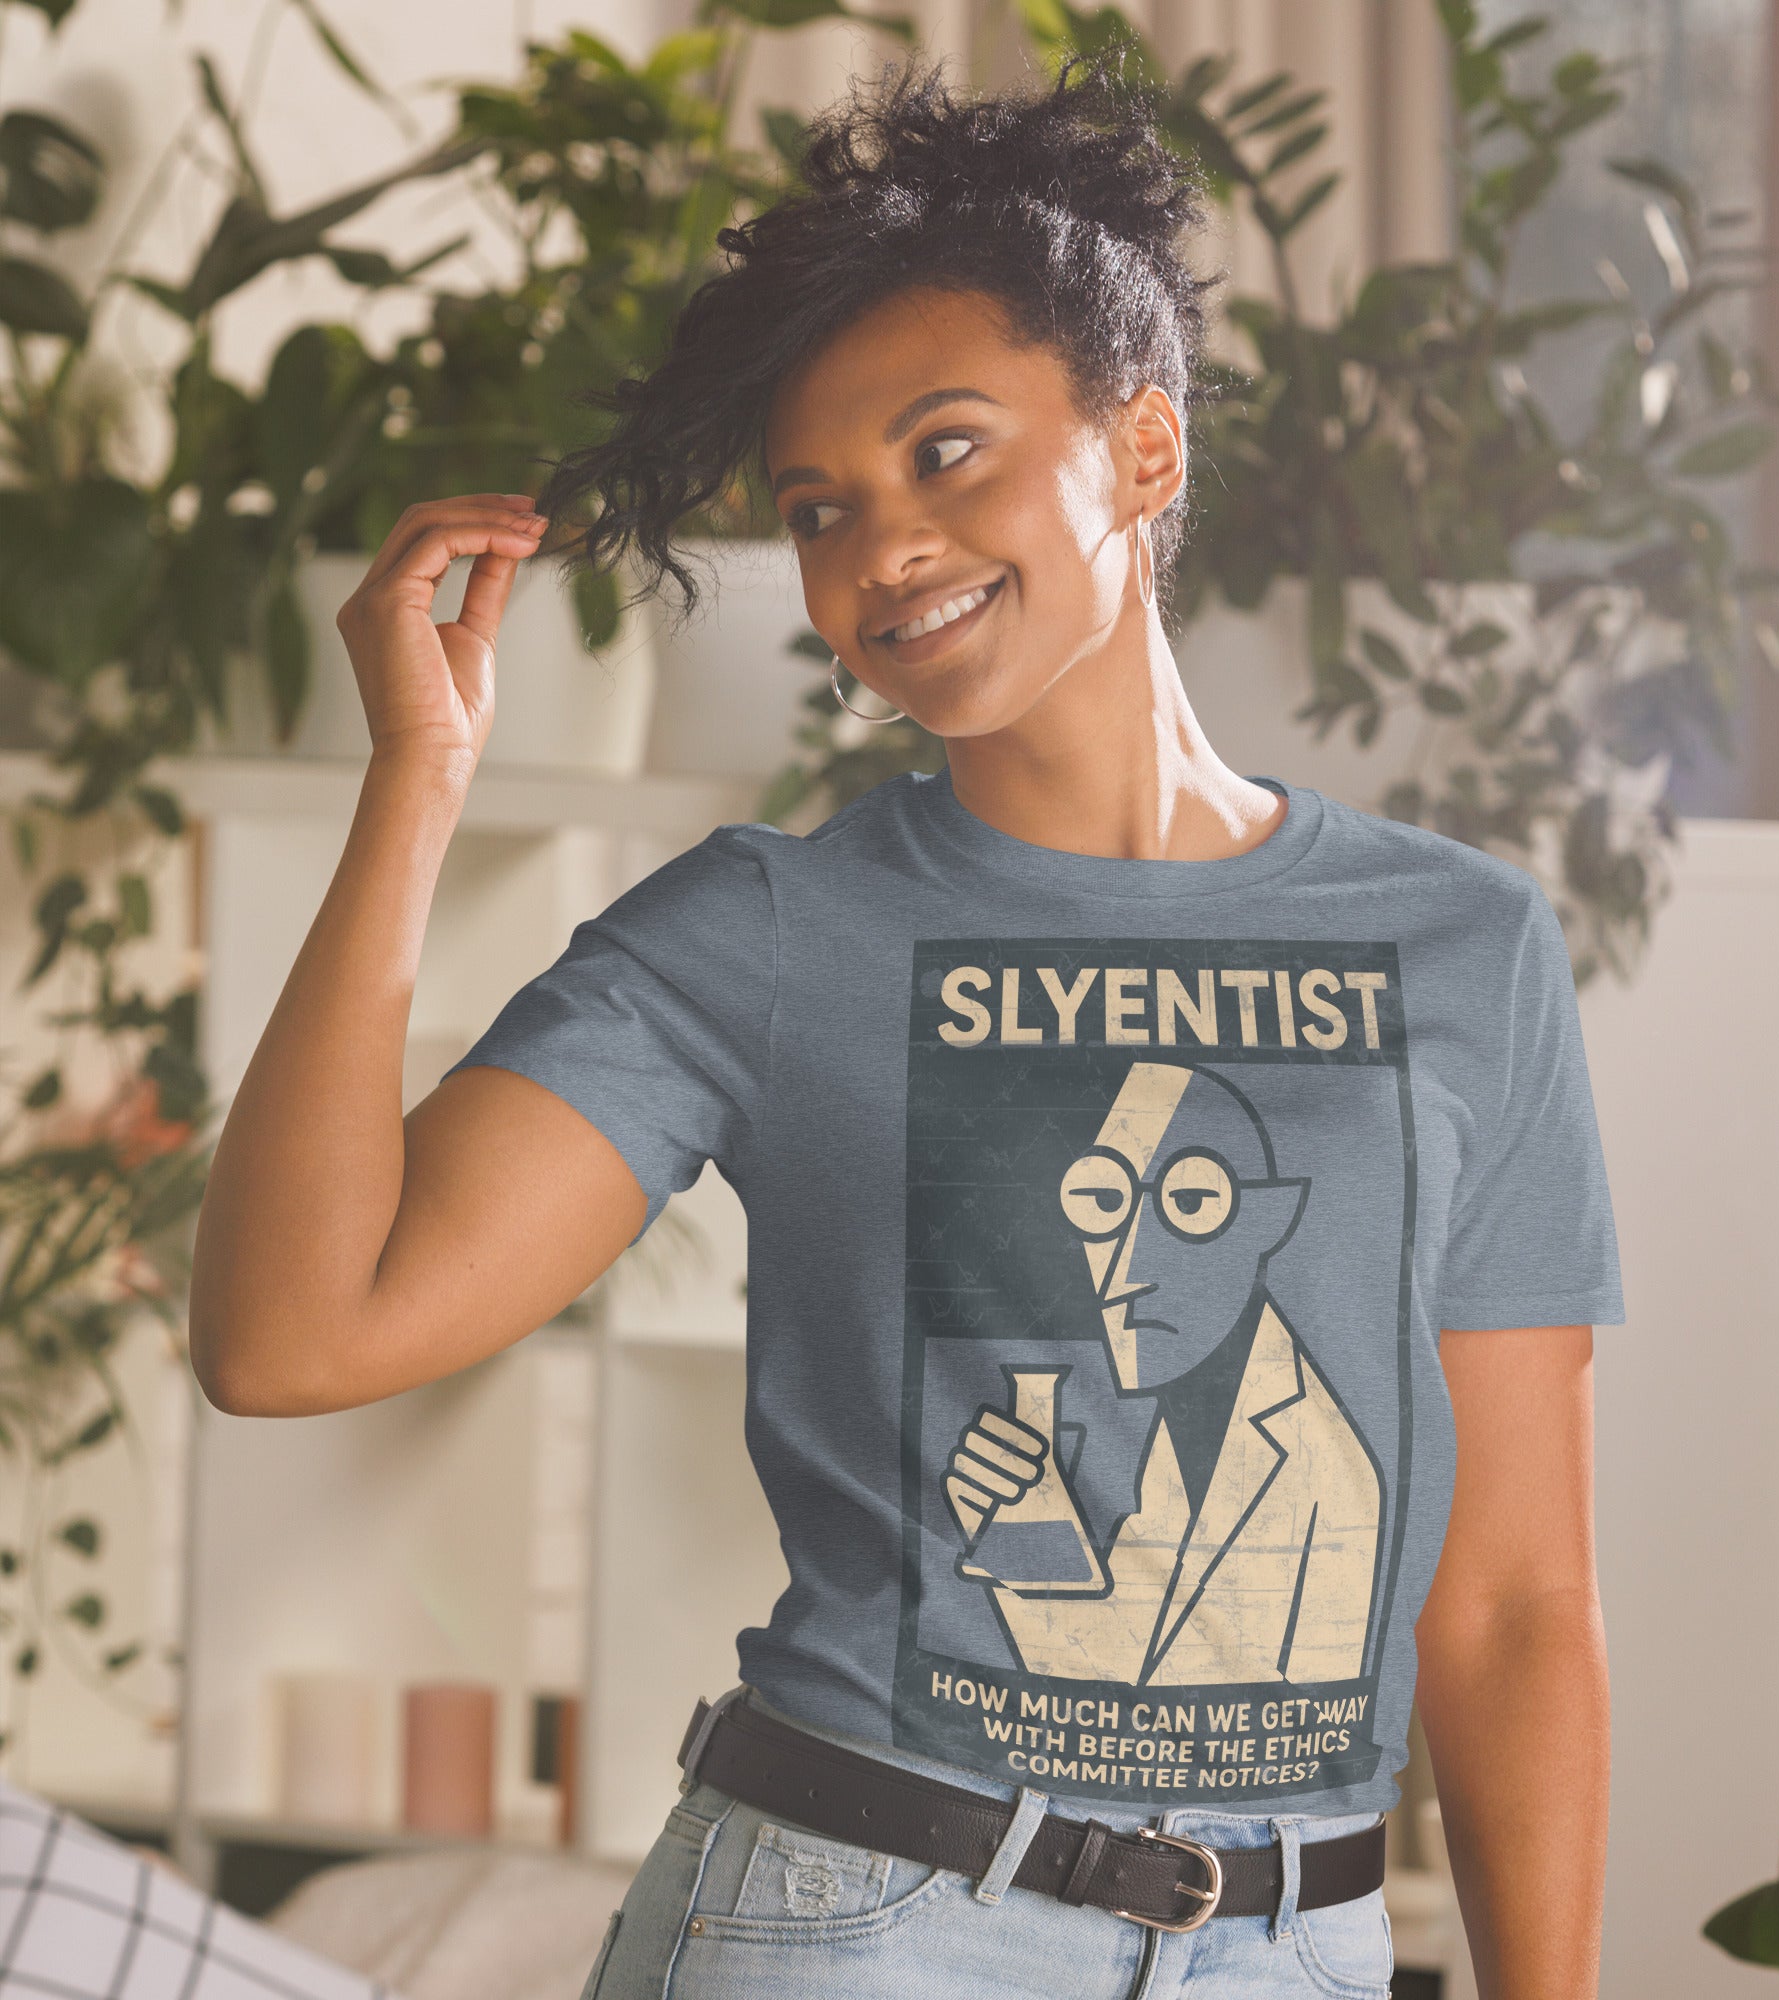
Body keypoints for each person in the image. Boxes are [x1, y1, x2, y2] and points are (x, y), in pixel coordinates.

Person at [188, 56, 1623, 2000]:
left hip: (1301, 1948)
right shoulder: (768, 935)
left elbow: (1521, 1602)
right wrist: (418, 784)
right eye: (817, 509)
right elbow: (293, 1333)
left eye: (944, 452)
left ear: (1141, 448)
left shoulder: (1459, 946)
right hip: (860, 1923)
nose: (879, 551)